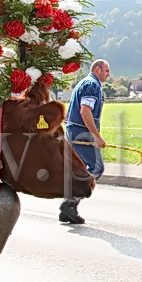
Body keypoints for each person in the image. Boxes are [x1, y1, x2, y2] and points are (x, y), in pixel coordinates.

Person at [59, 59, 111, 224]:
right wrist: (96, 135)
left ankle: (68, 209)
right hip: (81, 133)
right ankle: (70, 203)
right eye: (106, 71)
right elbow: (85, 111)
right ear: (97, 69)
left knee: (81, 170)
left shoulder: (85, 83)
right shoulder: (91, 85)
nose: (109, 75)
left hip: (75, 131)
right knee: (96, 167)